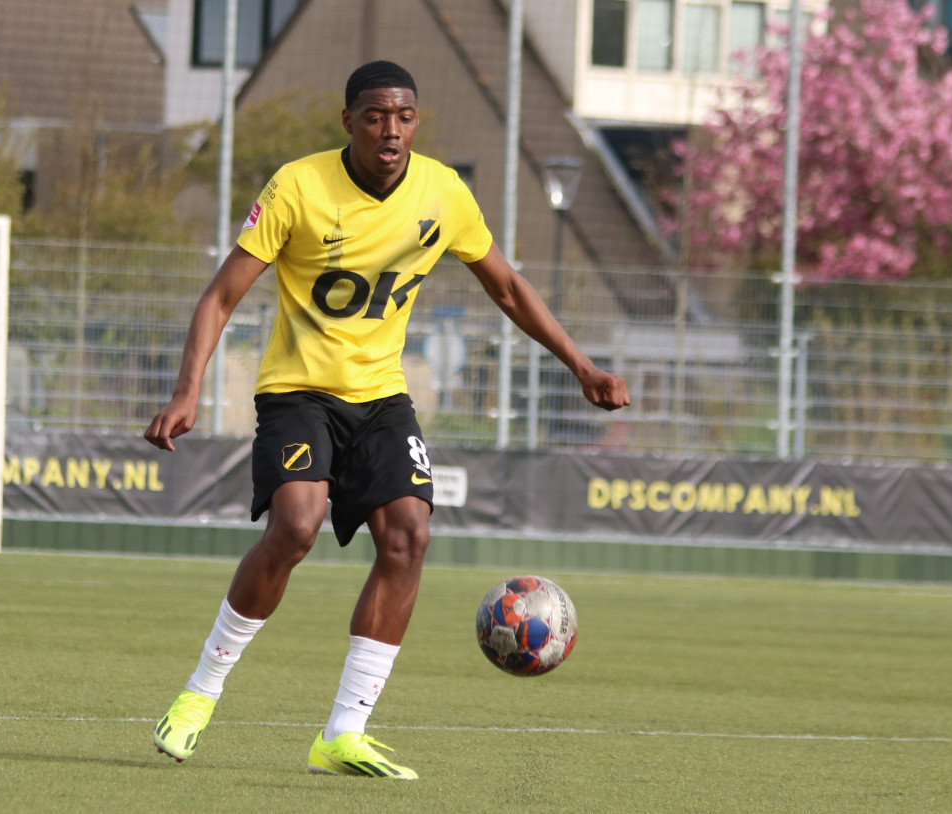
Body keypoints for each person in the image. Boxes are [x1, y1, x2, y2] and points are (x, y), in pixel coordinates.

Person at [144, 60, 630, 780]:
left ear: (416, 122)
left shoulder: (443, 191)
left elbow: (507, 287)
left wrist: (582, 366)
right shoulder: (298, 186)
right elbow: (220, 296)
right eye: (375, 116)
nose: (391, 130)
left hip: (380, 398)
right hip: (299, 393)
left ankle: (343, 734)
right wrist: (187, 390)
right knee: (296, 526)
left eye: (404, 116)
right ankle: (198, 694)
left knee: (409, 536)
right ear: (349, 122)